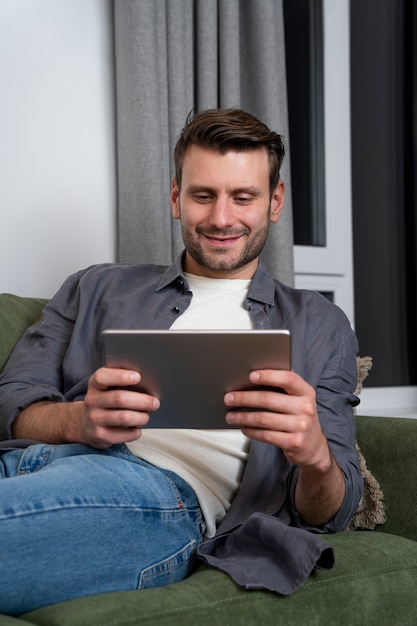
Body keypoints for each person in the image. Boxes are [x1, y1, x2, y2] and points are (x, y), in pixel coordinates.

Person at [0, 108, 363, 615]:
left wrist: (316, 455)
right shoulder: (95, 285)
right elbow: (12, 400)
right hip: (23, 463)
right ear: (176, 198)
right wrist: (79, 419)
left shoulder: (319, 323)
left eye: (243, 197)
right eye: (203, 195)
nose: (220, 218)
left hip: (153, 493)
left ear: (274, 202)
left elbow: (334, 510)